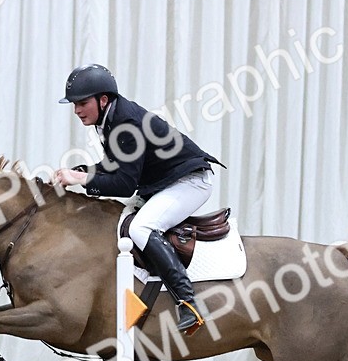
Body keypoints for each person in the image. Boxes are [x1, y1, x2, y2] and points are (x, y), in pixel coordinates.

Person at [52, 64, 223, 334]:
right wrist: (84, 172)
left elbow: (124, 184)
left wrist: (82, 180)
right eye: (74, 104)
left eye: (82, 103)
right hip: (164, 182)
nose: (76, 110)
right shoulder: (110, 119)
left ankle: (188, 302)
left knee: (140, 227)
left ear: (103, 99)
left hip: (190, 182)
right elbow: (115, 165)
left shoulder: (125, 123)